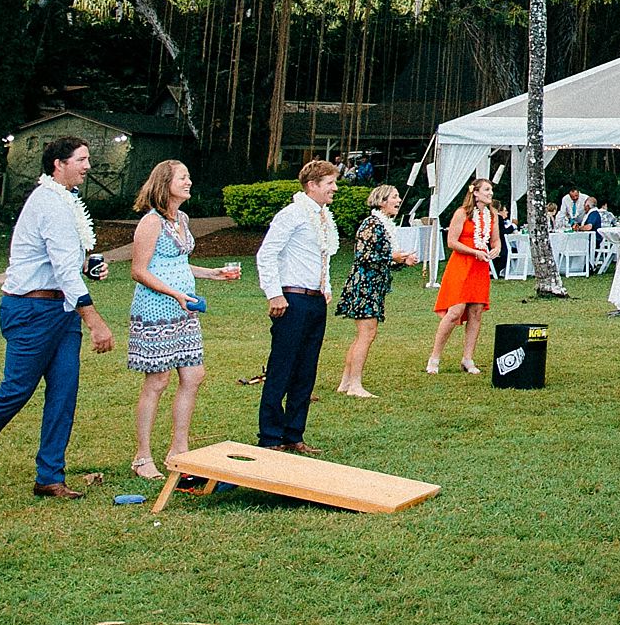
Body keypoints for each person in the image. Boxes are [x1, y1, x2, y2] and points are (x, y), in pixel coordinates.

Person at [0, 137, 117, 501]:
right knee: (14, 392)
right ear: (58, 165)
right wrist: (95, 321)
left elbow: (63, 263)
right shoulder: (48, 202)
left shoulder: (67, 201)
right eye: (81, 159)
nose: (88, 166)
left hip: (60, 310)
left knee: (64, 392)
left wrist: (89, 267)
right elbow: (60, 267)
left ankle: (50, 476)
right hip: (32, 311)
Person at [126, 160, 243, 478]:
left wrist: (212, 273)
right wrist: (174, 294)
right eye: (183, 177)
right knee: (157, 381)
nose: (189, 181)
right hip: (156, 311)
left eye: (189, 176)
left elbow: (177, 264)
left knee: (193, 377)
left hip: (185, 311)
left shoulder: (183, 219)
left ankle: (180, 450)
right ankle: (142, 457)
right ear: (165, 183)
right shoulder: (151, 223)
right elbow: (140, 270)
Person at [255, 159, 341, 453]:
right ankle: (270, 435)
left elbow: (323, 257)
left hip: (315, 301)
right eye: (330, 183)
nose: (335, 188)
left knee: (306, 369)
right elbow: (267, 254)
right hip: (292, 299)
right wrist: (274, 294)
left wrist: (325, 288)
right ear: (312, 185)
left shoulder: (323, 218)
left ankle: (294, 433)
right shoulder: (291, 215)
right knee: (282, 367)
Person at [335, 183, 418, 398]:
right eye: (394, 197)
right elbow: (364, 256)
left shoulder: (384, 224)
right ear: (382, 201)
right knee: (366, 334)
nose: (398, 201)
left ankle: (345, 382)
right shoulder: (371, 223)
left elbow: (382, 258)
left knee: (363, 335)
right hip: (365, 286)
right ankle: (355, 385)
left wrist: (402, 261)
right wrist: (393, 257)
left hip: (374, 285)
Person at [427, 176, 499, 376]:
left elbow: (496, 241)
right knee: (455, 311)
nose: (490, 194)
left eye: (491, 190)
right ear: (475, 193)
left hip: (480, 267)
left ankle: (468, 358)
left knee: (476, 311)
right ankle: (435, 357)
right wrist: (473, 251)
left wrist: (496, 250)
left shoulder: (493, 216)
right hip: (462, 264)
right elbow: (451, 241)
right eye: (486, 190)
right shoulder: (462, 213)